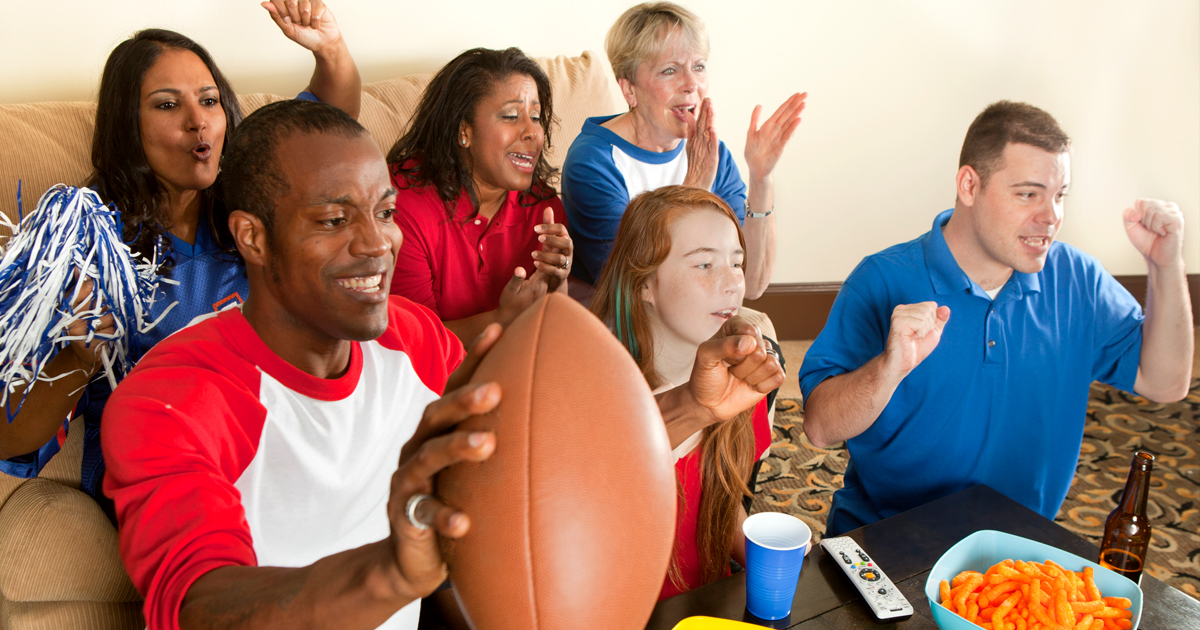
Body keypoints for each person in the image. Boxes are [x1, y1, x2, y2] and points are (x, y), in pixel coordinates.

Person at [101, 99, 786, 630]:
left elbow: (545, 465)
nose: (378, 244)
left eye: (385, 210)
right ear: (252, 236)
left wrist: (691, 407)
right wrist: (392, 573)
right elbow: (200, 604)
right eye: (335, 220)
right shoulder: (173, 394)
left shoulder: (408, 338)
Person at [0, 1, 360, 518]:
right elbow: (11, 437)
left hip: (270, 430)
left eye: (209, 101)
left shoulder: (245, 198)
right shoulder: (86, 239)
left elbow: (324, 133)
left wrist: (330, 50)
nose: (199, 123)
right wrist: (77, 359)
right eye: (168, 106)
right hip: (162, 458)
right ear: (129, 126)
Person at [797, 101, 1194, 536]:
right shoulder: (882, 279)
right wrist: (887, 371)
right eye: (1028, 194)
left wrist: (1165, 264)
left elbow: (1165, 382)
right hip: (886, 541)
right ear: (970, 185)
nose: (1051, 217)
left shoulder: (1078, 280)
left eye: (1059, 195)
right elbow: (819, 428)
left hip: (1014, 557)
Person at [591, 185, 782, 599]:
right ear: (644, 284)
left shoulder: (737, 379)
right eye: (704, 264)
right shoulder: (593, 394)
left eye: (737, 262)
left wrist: (763, 557)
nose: (732, 281)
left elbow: (719, 493)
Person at [562, 2, 805, 300]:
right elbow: (637, 289)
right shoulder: (593, 162)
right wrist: (695, 188)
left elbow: (751, 285)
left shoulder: (710, 153)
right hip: (622, 323)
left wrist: (760, 178)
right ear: (629, 90)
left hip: (698, 312)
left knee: (758, 344)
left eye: (698, 66)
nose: (692, 85)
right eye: (670, 70)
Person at [387, 48, 572, 344]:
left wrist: (557, 283)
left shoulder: (544, 208)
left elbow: (553, 329)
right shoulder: (402, 207)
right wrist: (502, 318)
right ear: (464, 130)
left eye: (535, 117)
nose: (532, 133)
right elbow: (413, 347)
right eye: (511, 116)